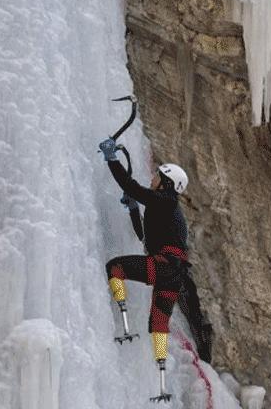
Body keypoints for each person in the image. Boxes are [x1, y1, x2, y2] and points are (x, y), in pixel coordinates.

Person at [98, 138, 212, 384]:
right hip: (174, 275)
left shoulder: (165, 200)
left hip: (163, 267)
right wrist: (132, 210)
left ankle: (126, 326)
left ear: (166, 183)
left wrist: (111, 158)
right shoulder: (168, 208)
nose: (154, 179)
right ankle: (161, 383)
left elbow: (132, 186)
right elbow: (145, 237)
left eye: (158, 176)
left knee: (114, 268)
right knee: (158, 323)